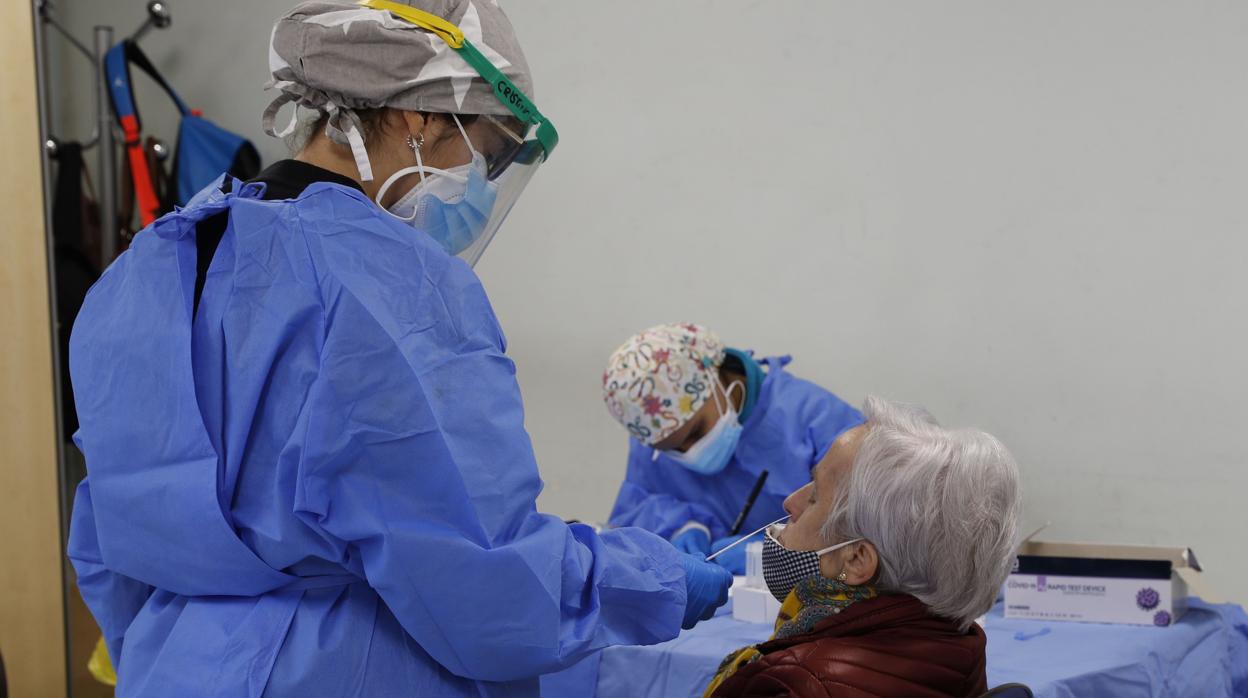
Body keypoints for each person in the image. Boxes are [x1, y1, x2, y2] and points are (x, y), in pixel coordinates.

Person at [66, 2, 731, 696]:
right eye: (490, 150)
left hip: (170, 668)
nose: (482, 179)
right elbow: (481, 577)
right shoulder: (394, 289)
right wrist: (650, 580)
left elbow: (106, 545)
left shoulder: (143, 269)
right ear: (422, 115)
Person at [702, 396, 1022, 697]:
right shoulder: (961, 642)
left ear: (857, 559)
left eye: (814, 497)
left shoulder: (794, 682)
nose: (790, 503)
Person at [602, 323, 864, 573]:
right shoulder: (655, 433)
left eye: (696, 431)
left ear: (717, 380)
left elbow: (871, 523)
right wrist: (682, 527)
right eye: (674, 449)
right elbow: (634, 510)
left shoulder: (814, 418)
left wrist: (786, 551)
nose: (691, 452)